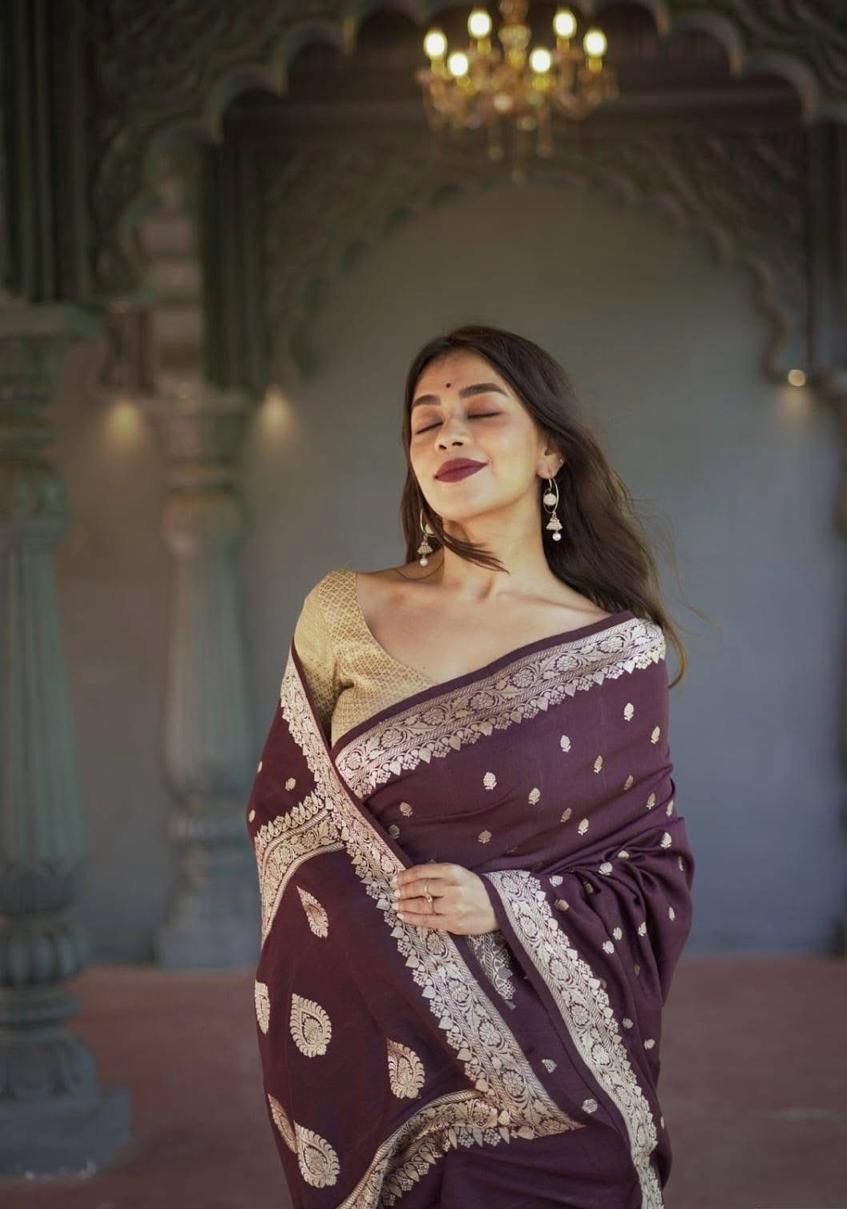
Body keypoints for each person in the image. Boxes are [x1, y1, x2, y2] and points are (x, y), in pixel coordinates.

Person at [245, 324, 696, 1208]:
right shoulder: (343, 608)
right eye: (425, 421)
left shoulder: (615, 652)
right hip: (379, 1042)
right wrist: (381, 932)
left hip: (549, 1064)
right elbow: (286, 820)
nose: (447, 432)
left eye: (480, 411)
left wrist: (502, 903)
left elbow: (651, 875)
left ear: (550, 451)